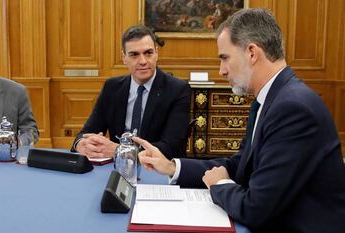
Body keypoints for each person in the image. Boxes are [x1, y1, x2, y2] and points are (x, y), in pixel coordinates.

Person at [133, 8, 345, 233]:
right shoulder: (270, 99)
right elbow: (241, 166)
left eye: (224, 58)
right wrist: (171, 166)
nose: (222, 71)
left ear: (252, 52)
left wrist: (219, 185)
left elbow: (256, 208)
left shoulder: (293, 108)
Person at [72, 25, 191, 159]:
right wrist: (81, 144)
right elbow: (87, 132)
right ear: (124, 57)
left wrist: (120, 150)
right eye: (134, 55)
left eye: (148, 53)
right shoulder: (112, 87)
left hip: (158, 170)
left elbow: (172, 147)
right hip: (117, 169)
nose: (143, 61)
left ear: (156, 53)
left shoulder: (178, 89)